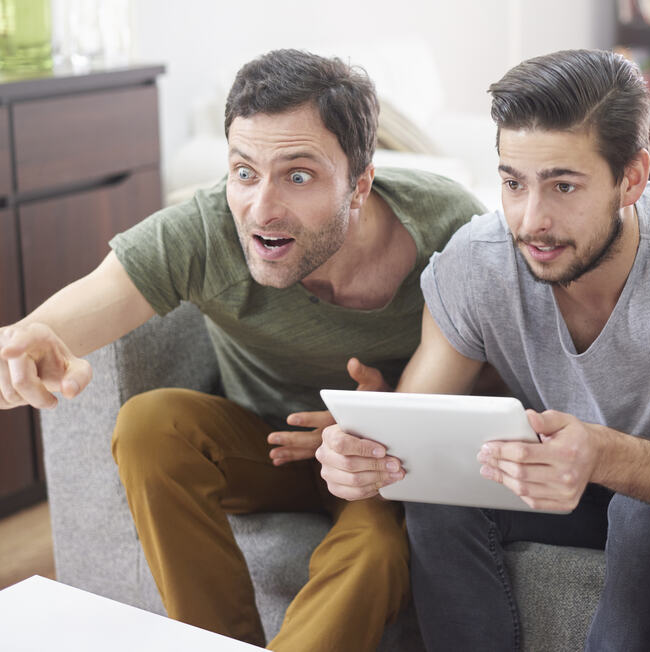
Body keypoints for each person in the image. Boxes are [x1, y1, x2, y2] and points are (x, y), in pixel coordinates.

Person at [0, 49, 484, 651]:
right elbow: (51, 327)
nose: (261, 207)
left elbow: (486, 379)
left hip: (378, 462)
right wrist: (18, 350)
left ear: (359, 184)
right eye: (245, 171)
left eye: (298, 176)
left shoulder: (450, 230)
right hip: (266, 446)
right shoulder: (206, 231)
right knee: (150, 425)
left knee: (378, 552)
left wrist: (385, 419)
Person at [315, 48, 650, 651]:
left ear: (632, 178)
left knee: (641, 513)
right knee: (436, 503)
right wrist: (364, 454)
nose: (531, 220)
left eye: (563, 185)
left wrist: (601, 455)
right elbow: (414, 430)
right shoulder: (477, 261)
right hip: (565, 492)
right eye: (514, 184)